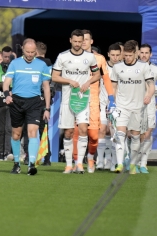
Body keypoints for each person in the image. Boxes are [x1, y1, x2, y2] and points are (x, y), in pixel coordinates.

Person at [52, 29, 101, 174]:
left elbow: (97, 75)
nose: (78, 44)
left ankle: (79, 163)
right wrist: (69, 81)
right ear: (70, 40)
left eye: (80, 41)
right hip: (67, 100)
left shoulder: (90, 57)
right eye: (75, 41)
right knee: (68, 132)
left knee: (83, 129)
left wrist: (88, 82)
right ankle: (68, 165)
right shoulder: (63, 56)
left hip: (83, 99)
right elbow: (54, 76)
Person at [3, 38, 51, 175]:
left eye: (32, 52)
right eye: (27, 52)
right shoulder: (15, 63)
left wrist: (47, 108)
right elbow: (6, 83)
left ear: (36, 51)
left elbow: (46, 88)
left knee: (33, 132)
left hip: (35, 102)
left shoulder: (42, 66)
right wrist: (7, 95)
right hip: (17, 102)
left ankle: (31, 164)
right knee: (16, 134)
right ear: (22, 50)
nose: (30, 54)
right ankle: (17, 163)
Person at [72, 29, 114, 173]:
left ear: (91, 41)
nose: (83, 42)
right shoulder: (73, 57)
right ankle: (77, 162)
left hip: (94, 100)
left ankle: (90, 157)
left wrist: (111, 96)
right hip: (77, 98)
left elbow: (106, 79)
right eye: (81, 39)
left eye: (86, 39)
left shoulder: (100, 59)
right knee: (77, 132)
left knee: (94, 136)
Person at [110, 41, 155, 174]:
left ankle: (133, 164)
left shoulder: (143, 67)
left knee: (135, 136)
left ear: (135, 54)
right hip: (122, 106)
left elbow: (151, 85)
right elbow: (113, 86)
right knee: (120, 134)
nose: (127, 58)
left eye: (130, 55)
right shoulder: (117, 67)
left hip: (137, 107)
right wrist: (112, 102)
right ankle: (119, 164)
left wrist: (149, 95)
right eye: (126, 55)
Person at [135, 43, 157, 173]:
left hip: (149, 106)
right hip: (135, 105)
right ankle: (135, 162)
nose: (144, 55)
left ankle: (143, 164)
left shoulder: (156, 69)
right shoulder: (134, 67)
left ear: (151, 54)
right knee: (136, 135)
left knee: (147, 134)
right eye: (142, 53)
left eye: (146, 53)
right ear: (138, 53)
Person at [97, 43, 122, 171]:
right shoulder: (103, 66)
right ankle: (101, 161)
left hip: (117, 105)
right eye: (113, 55)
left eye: (118, 55)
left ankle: (112, 162)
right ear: (108, 55)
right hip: (102, 103)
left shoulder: (123, 68)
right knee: (102, 130)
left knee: (114, 133)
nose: (115, 57)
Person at [35, 41, 54, 166]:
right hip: (46, 101)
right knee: (44, 130)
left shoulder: (35, 64)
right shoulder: (52, 66)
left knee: (29, 128)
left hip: (34, 99)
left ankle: (27, 155)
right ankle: (47, 157)